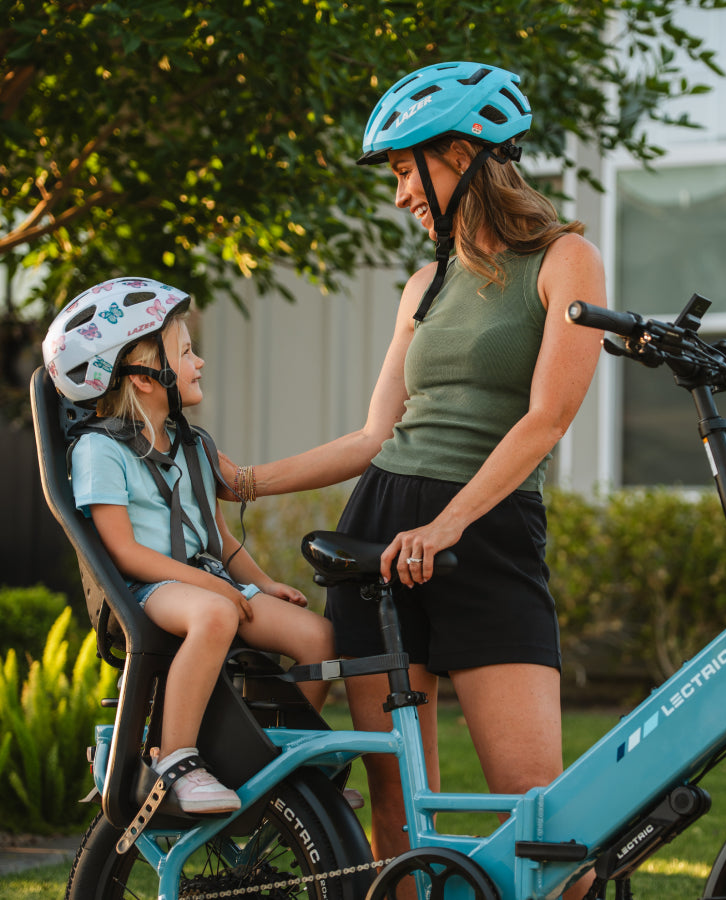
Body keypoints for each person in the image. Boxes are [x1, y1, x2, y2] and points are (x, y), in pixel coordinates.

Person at [228, 61, 604, 897]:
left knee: (537, 808)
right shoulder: (424, 284)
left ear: (463, 152)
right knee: (396, 810)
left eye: (405, 168)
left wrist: (451, 525)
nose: (398, 194)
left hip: (488, 532)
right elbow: (373, 436)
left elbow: (544, 417)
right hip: (381, 529)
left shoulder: (565, 259)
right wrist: (244, 481)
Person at [42, 277, 335, 815]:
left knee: (318, 637)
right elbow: (123, 553)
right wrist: (210, 587)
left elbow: (218, 539)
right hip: (146, 590)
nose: (199, 362)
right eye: (185, 352)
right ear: (142, 377)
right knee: (215, 614)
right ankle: (175, 758)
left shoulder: (193, 444)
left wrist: (265, 584)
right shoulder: (98, 451)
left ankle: (280, 767)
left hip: (208, 587)